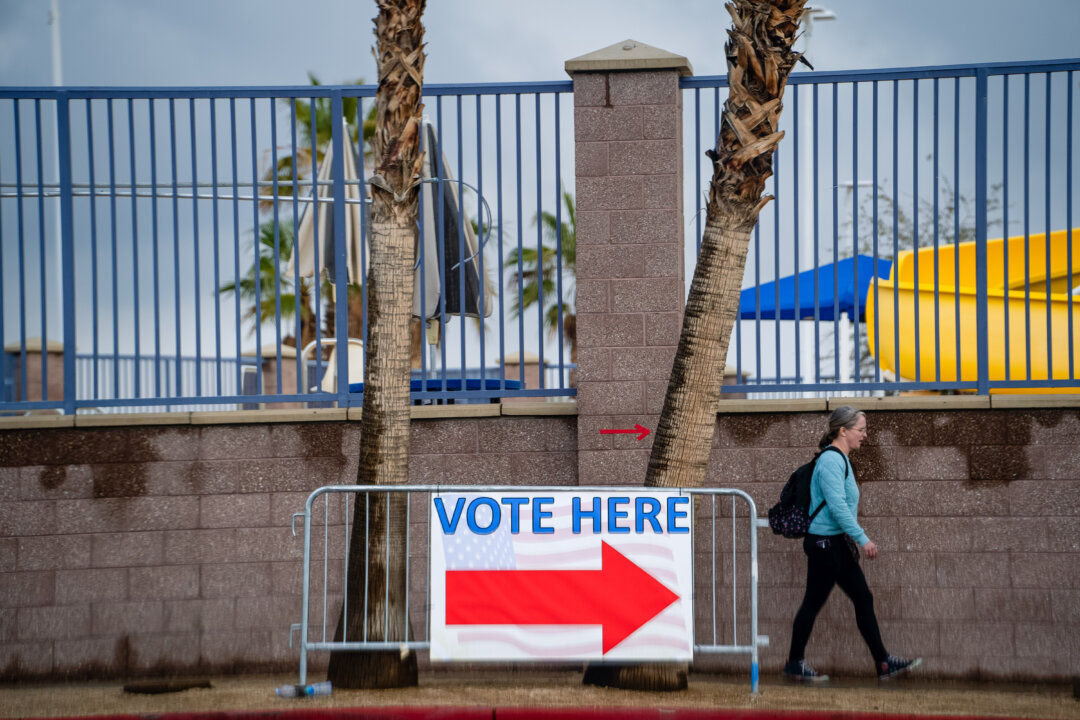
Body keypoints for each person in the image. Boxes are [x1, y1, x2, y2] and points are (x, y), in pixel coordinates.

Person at [784, 405, 921, 683]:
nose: (865, 435)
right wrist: (863, 538)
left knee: (862, 598)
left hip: (834, 544)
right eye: (861, 430)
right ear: (843, 431)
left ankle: (883, 663)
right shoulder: (831, 461)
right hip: (825, 545)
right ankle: (795, 662)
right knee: (813, 602)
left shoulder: (840, 459)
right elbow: (837, 507)